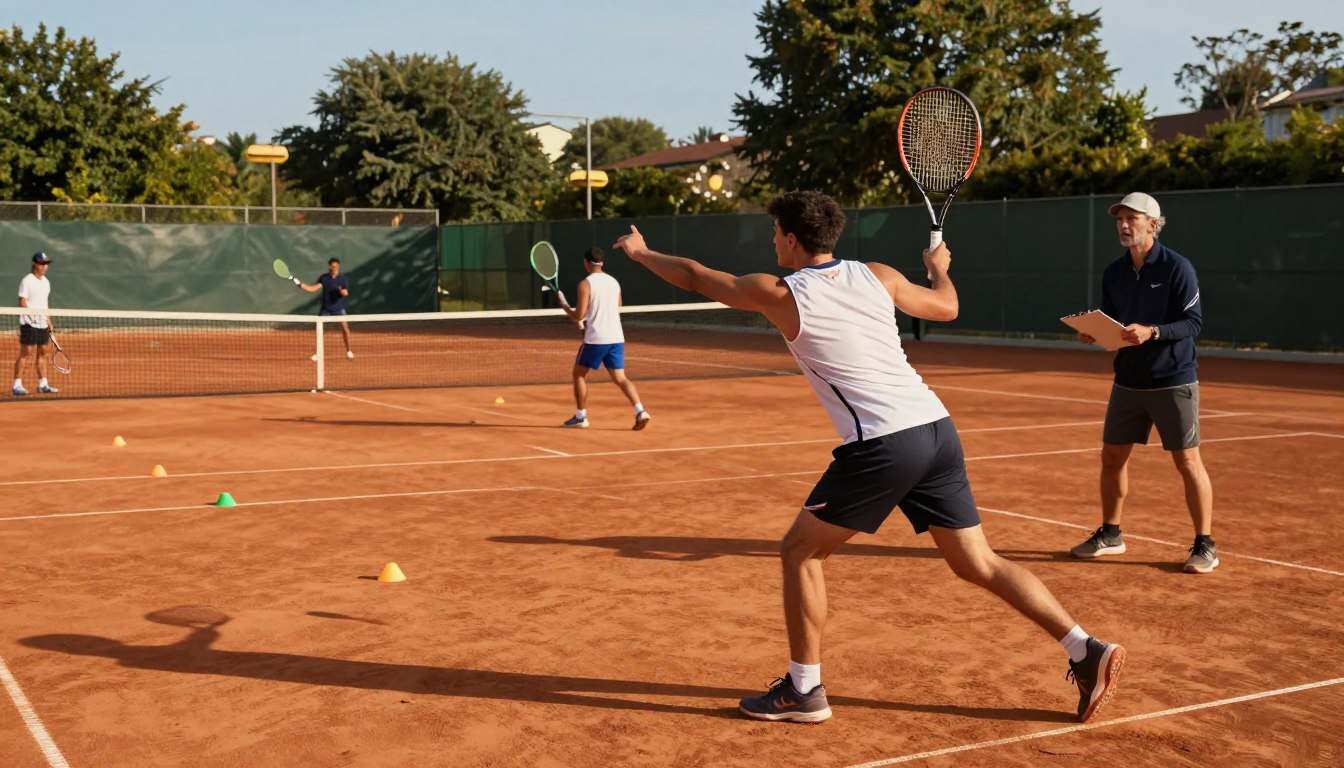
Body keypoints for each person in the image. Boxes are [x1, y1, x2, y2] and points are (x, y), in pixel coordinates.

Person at [612, 190, 1124, 724]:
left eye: (774, 233)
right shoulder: (878, 274)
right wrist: (940, 270)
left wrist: (641, 253)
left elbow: (695, 276)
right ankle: (1084, 648)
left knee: (800, 552)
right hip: (936, 429)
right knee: (978, 562)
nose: (772, 242)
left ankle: (804, 690)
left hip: (884, 444)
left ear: (792, 239)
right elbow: (947, 307)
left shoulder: (782, 293)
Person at [1071, 192, 1216, 574]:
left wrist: (1153, 331)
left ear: (1153, 224)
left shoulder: (1177, 268)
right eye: (1119, 219)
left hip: (1173, 379)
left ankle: (1205, 544)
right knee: (1112, 457)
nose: (1123, 225)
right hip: (1128, 381)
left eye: (1131, 219)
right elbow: (1113, 321)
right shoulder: (1114, 272)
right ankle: (1111, 534)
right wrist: (1096, 333)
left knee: (1188, 461)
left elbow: (1193, 322)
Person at [556, 247, 650, 430]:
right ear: (602, 263)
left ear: (585, 263)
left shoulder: (585, 284)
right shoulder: (614, 282)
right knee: (620, 378)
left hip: (596, 340)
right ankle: (640, 410)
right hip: (616, 337)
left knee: (578, 374)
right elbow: (618, 304)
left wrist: (565, 305)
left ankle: (581, 417)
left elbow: (579, 315)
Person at [12, 252, 58, 396]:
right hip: (29, 323)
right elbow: (22, 300)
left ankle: (43, 384)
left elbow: (45, 303)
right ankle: (17, 385)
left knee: (43, 352)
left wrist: (48, 320)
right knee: (26, 353)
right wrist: (30, 317)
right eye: (42, 264)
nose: (44, 267)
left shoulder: (46, 282)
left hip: (42, 323)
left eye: (46, 264)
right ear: (34, 265)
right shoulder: (27, 281)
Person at [296, 258, 354, 359]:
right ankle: (318, 353)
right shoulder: (324, 278)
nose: (335, 268)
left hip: (339, 309)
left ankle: (349, 351)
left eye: (336, 266)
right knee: (320, 331)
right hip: (326, 309)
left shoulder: (342, 279)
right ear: (329, 266)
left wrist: (343, 292)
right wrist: (302, 286)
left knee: (345, 328)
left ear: (338, 266)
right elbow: (313, 288)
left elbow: (346, 292)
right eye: (333, 266)